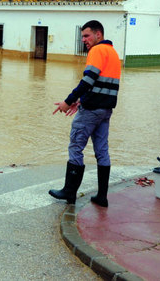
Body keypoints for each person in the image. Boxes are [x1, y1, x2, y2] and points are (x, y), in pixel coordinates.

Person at [50, 20, 120, 207]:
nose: (84, 40)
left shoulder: (96, 51)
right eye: (82, 37)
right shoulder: (113, 53)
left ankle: (69, 192)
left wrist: (68, 100)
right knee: (102, 152)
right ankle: (102, 196)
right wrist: (81, 100)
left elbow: (88, 80)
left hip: (91, 112)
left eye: (87, 36)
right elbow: (103, 85)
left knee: (75, 147)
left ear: (99, 35)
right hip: (105, 111)